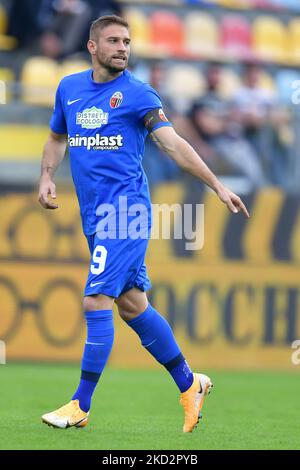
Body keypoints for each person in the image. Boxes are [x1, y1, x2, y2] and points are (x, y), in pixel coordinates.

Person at [38, 15, 249, 433]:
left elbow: (173, 143)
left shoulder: (136, 93)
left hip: (126, 212)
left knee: (95, 299)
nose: (123, 47)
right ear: (93, 46)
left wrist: (217, 185)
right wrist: (46, 176)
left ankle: (80, 404)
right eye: (114, 40)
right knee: (133, 305)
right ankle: (191, 384)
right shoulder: (70, 89)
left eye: (128, 41)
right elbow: (57, 137)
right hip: (95, 217)